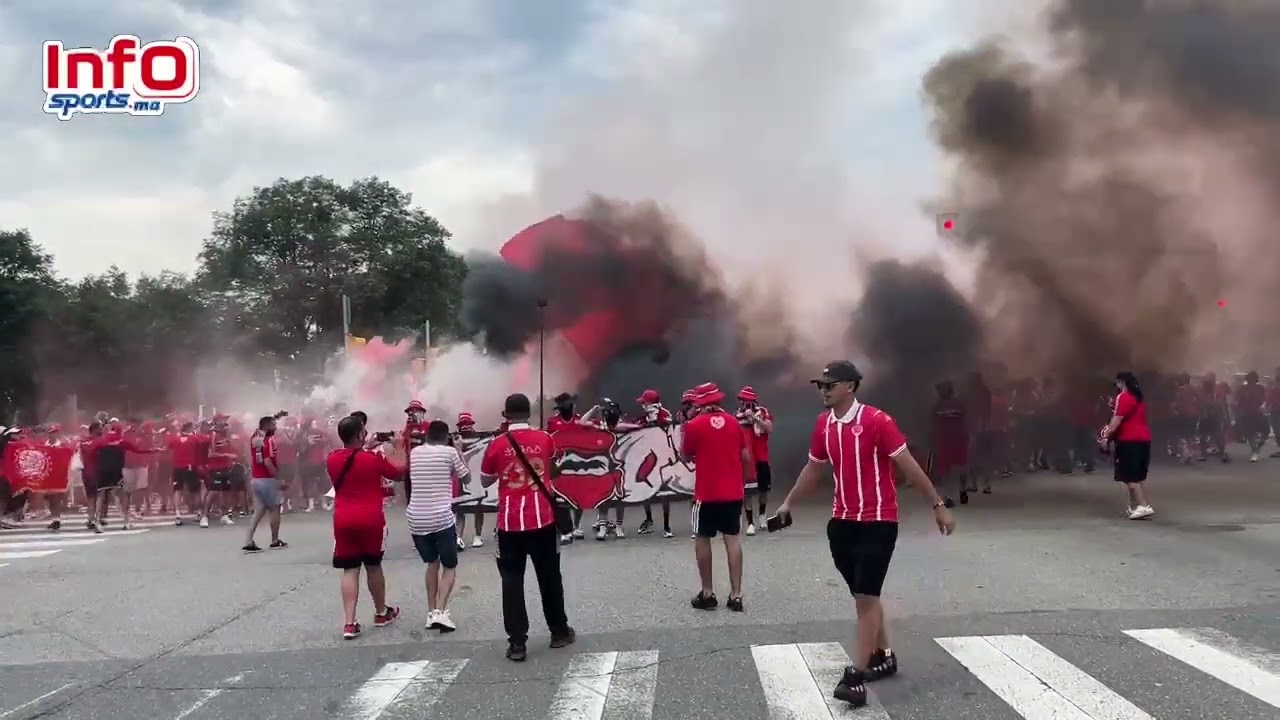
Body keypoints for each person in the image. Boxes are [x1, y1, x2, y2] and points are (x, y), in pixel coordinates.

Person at [774, 361, 955, 709]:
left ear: (851, 387)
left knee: (866, 598)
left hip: (878, 523)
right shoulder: (823, 424)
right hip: (841, 525)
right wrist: (787, 505)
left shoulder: (877, 421)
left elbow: (908, 466)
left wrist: (937, 504)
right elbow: (813, 468)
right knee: (864, 598)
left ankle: (855, 676)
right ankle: (882, 656)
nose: (823, 390)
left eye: (831, 384)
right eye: (820, 385)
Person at [480, 393, 574, 662]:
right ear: (529, 413)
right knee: (550, 577)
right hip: (543, 520)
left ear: (506, 415)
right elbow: (552, 468)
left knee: (512, 582)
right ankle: (558, 631)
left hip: (509, 524)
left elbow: (486, 480)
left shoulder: (496, 445)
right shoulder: (545, 439)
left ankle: (518, 643)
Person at [328, 415, 403, 640]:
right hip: (371, 519)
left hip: (343, 519)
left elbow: (351, 460)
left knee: (350, 569)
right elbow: (398, 472)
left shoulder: (331, 458)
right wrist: (398, 447)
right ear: (361, 434)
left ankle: (349, 623)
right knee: (373, 565)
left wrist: (365, 448)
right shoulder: (372, 458)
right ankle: (381, 612)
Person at [680, 382, 754, 612]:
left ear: (699, 403)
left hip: (706, 493)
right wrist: (742, 481)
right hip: (732, 492)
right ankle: (736, 595)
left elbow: (685, 454)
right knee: (732, 539)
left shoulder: (694, 425)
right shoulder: (734, 423)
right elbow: (745, 455)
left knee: (702, 538)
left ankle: (708, 593)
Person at [408, 420, 469, 632]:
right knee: (450, 565)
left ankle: (430, 611)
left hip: (416, 518)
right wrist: (459, 451)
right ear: (447, 437)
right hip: (441, 517)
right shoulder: (450, 453)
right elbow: (466, 477)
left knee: (432, 563)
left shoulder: (415, 453)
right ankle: (441, 613)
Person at [1100, 371, 1154, 520]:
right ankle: (1136, 506)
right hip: (1144, 439)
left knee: (1129, 476)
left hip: (1129, 440)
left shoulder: (1123, 397)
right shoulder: (1139, 398)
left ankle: (1143, 506)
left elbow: (1116, 421)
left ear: (1121, 382)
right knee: (1138, 477)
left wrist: (1105, 437)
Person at [244, 415, 288, 552]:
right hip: (267, 479)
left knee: (259, 510)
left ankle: (248, 539)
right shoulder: (268, 441)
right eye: (273, 425)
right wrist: (278, 478)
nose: (275, 427)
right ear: (267, 426)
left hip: (256, 479)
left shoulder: (255, 438)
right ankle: (274, 540)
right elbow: (267, 461)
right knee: (275, 509)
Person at [736, 386, 774, 537]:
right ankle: (750, 522)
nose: (745, 404)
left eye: (748, 401)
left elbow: (769, 428)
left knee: (763, 490)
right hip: (746, 459)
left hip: (762, 457)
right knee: (747, 492)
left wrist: (755, 418)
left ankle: (762, 515)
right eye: (743, 400)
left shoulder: (763, 412)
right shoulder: (737, 416)